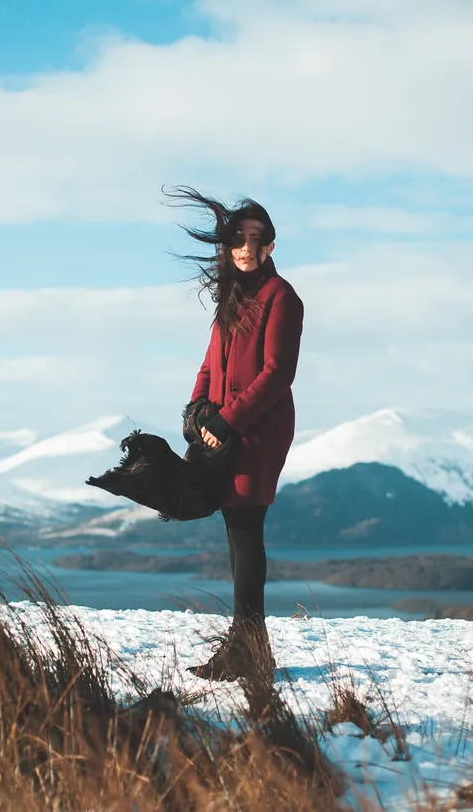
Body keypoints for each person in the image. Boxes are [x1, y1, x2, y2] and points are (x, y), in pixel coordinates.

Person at [166, 186, 305, 681]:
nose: (247, 248)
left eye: (256, 239)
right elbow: (210, 363)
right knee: (236, 527)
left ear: (271, 246)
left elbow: (276, 375)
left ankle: (247, 649)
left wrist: (227, 420)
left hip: (259, 429)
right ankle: (248, 647)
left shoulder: (281, 297)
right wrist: (196, 409)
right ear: (227, 246)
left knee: (246, 527)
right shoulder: (231, 297)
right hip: (224, 428)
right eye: (238, 240)